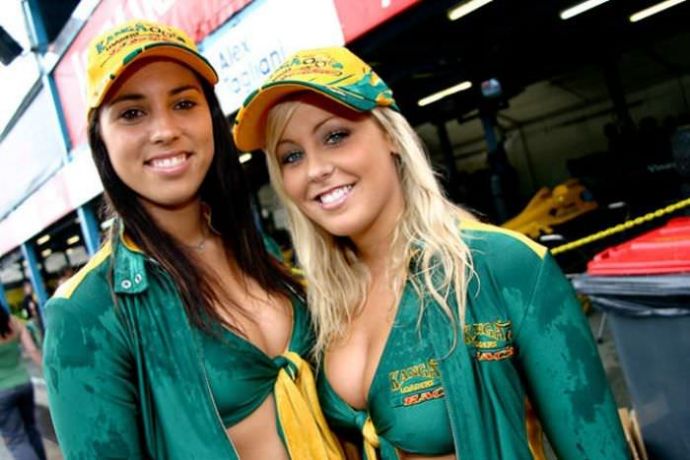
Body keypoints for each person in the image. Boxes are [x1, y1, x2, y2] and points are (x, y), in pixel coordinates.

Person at [232, 47, 630, 460]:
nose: (315, 169)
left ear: (390, 136)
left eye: (335, 136)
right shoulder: (316, 305)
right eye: (291, 156)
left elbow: (597, 449)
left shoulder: (502, 265)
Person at [42, 20, 342, 460]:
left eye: (184, 103)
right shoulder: (86, 313)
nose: (165, 130)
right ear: (100, 139)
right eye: (132, 113)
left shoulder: (253, 250)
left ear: (211, 118)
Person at [0, 303, 46, 460]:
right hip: (24, 384)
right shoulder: (14, 322)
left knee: (16, 440)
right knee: (32, 429)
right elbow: (32, 350)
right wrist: (49, 376)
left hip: (2, 392)